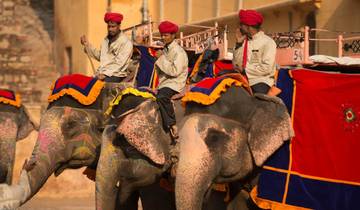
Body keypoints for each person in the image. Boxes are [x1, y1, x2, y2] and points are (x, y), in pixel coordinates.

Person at [155, 21, 188, 139]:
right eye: (162, 35)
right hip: (165, 83)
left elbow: (175, 71)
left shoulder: (179, 52)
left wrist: (161, 59)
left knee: (162, 97)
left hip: (175, 82)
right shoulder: (166, 49)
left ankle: (172, 124)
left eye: (166, 35)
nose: (163, 38)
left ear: (173, 35)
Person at [232, 9, 277, 94]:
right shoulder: (242, 41)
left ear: (248, 27)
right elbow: (236, 65)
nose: (239, 27)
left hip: (259, 80)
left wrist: (245, 70)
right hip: (241, 78)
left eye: (241, 24)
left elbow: (267, 68)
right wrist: (238, 44)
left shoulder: (268, 42)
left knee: (257, 100)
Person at [80, 12, 133, 82]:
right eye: (109, 26)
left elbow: (119, 63)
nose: (110, 29)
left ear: (119, 26)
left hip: (116, 75)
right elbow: (101, 56)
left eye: (113, 27)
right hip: (101, 73)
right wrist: (87, 45)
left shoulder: (126, 43)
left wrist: (105, 74)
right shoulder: (106, 40)